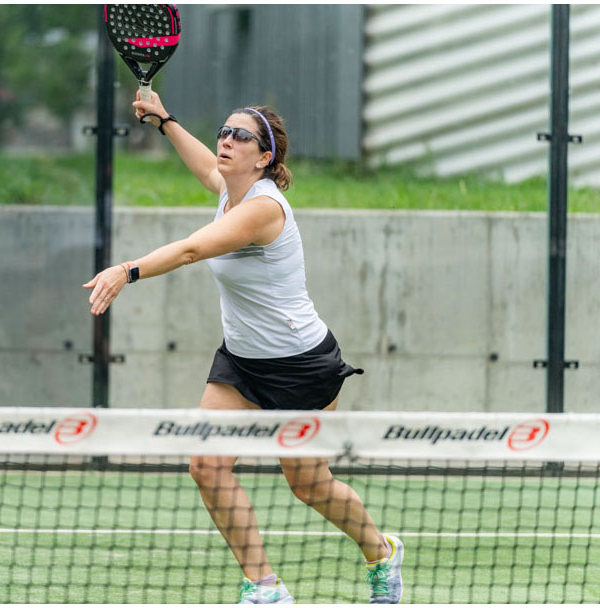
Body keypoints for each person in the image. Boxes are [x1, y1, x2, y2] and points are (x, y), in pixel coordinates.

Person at [83, 90, 404, 605]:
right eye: (224, 132)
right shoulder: (229, 190)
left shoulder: (263, 209)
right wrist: (164, 120)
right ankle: (265, 586)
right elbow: (206, 167)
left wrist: (127, 270)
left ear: (264, 157)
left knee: (309, 485)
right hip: (241, 363)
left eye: (241, 136)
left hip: (302, 366)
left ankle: (381, 553)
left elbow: (192, 249)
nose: (226, 141)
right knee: (206, 466)